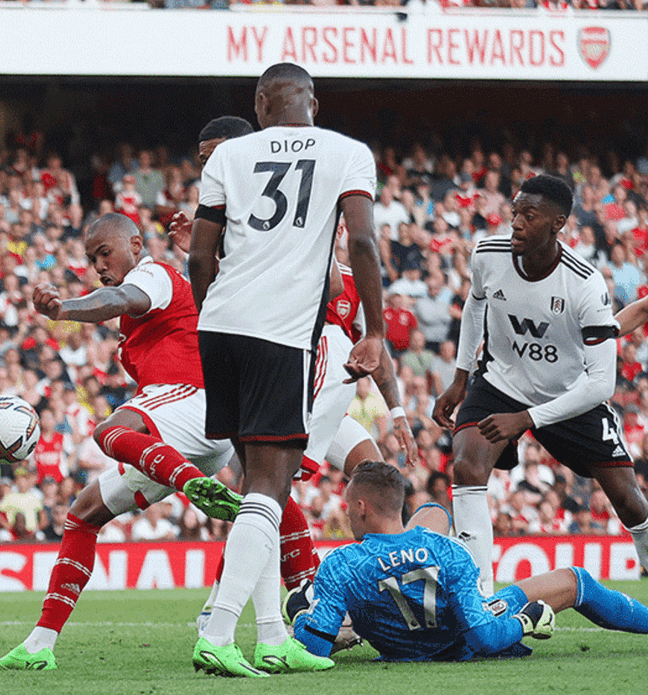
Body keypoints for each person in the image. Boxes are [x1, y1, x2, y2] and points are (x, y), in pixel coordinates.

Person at [0, 117, 319, 672]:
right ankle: (40, 644)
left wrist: (65, 308)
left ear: (135, 245)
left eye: (105, 252)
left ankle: (196, 490)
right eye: (92, 259)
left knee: (110, 429)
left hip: (191, 402)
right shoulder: (163, 292)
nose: (99, 266)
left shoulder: (155, 275)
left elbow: (120, 299)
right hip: (192, 436)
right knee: (83, 513)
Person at [187, 62, 385, 677]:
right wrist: (376, 330)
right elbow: (362, 244)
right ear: (313, 104)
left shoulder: (228, 155)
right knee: (270, 490)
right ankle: (219, 631)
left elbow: (199, 254)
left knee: (257, 484)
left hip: (219, 326)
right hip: (280, 335)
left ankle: (273, 634)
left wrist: (212, 314)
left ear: (260, 104)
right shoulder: (348, 153)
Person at [434, 175, 648, 595]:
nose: (515, 223)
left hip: (570, 394)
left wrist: (526, 419)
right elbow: (475, 304)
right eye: (515, 212)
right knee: (467, 466)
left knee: (629, 501)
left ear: (557, 223)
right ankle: (479, 598)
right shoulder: (487, 254)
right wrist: (460, 378)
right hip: (499, 383)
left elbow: (601, 385)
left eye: (529, 216)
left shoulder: (584, 283)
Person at [290, 460, 648, 661]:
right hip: (456, 640)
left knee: (433, 512)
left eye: (348, 506)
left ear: (361, 507)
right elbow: (483, 637)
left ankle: (344, 617)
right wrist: (524, 621)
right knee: (576, 580)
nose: (346, 512)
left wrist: (306, 615)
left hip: (394, 637)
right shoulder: (450, 552)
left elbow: (315, 647)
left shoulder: (341, 563)